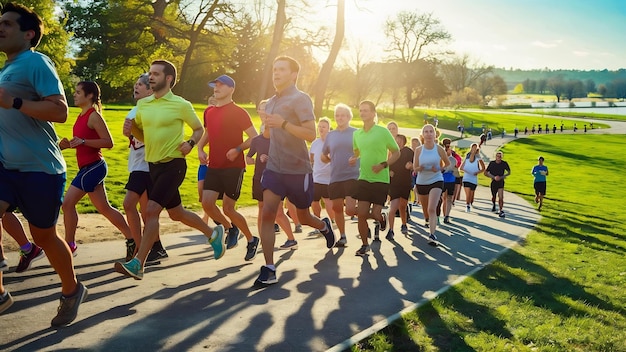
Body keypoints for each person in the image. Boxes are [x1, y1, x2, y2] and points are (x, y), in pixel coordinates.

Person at [0, 2, 87, 325]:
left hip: (41, 169)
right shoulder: (6, 70)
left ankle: (71, 289)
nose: (0, 27)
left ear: (28, 34)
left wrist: (16, 101)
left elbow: (60, 112)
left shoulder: (35, 63)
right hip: (7, 166)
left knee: (44, 237)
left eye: (7, 23)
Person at [117, 59, 225, 280]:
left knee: (151, 210)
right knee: (176, 214)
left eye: (155, 73)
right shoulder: (144, 105)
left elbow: (198, 128)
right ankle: (213, 233)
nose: (151, 77)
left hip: (173, 165)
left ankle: (139, 263)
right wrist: (131, 129)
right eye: (150, 73)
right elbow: (143, 136)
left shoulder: (180, 104)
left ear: (168, 79)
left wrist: (191, 143)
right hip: (153, 166)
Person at [255, 56, 336, 285]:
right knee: (268, 213)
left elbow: (310, 134)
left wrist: (282, 124)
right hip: (274, 168)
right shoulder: (270, 102)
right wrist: (266, 132)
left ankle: (323, 225)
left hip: (298, 169)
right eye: (274, 69)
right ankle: (269, 268)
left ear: (293, 75)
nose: (276, 73)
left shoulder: (301, 99)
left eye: (281, 69)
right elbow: (270, 135)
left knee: (303, 216)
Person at [59, 81, 134, 260]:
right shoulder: (80, 116)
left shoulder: (94, 116)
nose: (75, 95)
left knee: (67, 204)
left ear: (90, 96)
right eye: (75, 92)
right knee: (105, 208)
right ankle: (133, 239)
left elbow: (108, 142)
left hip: (94, 167)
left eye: (78, 92)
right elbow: (82, 141)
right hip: (87, 167)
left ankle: (69, 245)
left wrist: (83, 142)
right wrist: (69, 145)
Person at [198, 74, 259, 261]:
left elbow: (254, 137)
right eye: (214, 85)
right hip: (214, 165)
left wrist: (238, 149)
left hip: (234, 167)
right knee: (207, 203)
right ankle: (231, 228)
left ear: (231, 89)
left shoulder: (239, 112)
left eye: (221, 85)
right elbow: (208, 133)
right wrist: (200, 148)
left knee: (228, 208)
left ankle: (251, 238)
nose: (216, 88)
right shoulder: (209, 112)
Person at [122, 73, 168, 265]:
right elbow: (135, 141)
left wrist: (135, 132)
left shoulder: (152, 111)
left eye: (141, 84)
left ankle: (141, 250)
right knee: (145, 212)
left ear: (151, 90)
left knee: (128, 204)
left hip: (147, 166)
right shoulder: (134, 110)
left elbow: (155, 138)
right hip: (136, 165)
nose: (136, 86)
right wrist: (129, 134)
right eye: (135, 83)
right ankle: (156, 247)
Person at [350, 100, 400, 256]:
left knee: (376, 213)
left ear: (373, 113)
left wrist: (383, 165)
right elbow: (358, 151)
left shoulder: (383, 132)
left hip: (380, 180)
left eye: (366, 110)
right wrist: (353, 158)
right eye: (361, 110)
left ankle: (381, 218)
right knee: (362, 214)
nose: (363, 113)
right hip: (364, 178)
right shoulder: (356, 134)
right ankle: (365, 245)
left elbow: (396, 152)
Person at [247, 100, 297, 250]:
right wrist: (257, 159)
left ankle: (291, 239)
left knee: (278, 212)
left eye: (265, 111)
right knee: (261, 209)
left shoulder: (280, 137)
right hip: (259, 178)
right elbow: (250, 157)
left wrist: (271, 159)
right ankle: (263, 240)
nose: (263, 114)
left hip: (276, 179)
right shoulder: (258, 138)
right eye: (261, 111)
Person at [321, 103, 360, 247]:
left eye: (343, 115)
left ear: (349, 117)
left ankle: (368, 216)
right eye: (337, 115)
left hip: (352, 175)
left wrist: (356, 158)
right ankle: (342, 236)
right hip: (335, 176)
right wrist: (331, 159)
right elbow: (323, 156)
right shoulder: (331, 135)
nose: (339, 118)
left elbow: (363, 151)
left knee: (349, 210)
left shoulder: (356, 133)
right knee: (337, 208)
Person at [413, 124, 450, 245]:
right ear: (422, 135)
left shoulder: (439, 149)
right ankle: (428, 220)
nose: (428, 134)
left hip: (436, 179)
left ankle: (432, 235)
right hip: (422, 181)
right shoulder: (419, 150)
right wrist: (420, 167)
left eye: (431, 132)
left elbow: (448, 164)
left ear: (435, 135)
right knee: (426, 211)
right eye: (426, 132)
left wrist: (440, 168)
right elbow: (415, 168)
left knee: (431, 208)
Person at [309, 117, 335, 236]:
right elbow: (311, 159)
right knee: (314, 202)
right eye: (319, 126)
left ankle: (333, 223)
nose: (321, 129)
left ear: (329, 129)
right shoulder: (315, 143)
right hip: (316, 177)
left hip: (329, 179)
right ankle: (318, 224)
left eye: (324, 127)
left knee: (328, 202)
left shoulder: (332, 143)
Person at [386, 134, 414, 238]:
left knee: (403, 205)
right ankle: (391, 230)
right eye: (396, 140)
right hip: (394, 183)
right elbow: (386, 164)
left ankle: (404, 223)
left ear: (404, 141)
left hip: (405, 182)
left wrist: (411, 166)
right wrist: (389, 171)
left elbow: (415, 164)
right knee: (393, 206)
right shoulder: (392, 152)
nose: (398, 142)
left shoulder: (409, 151)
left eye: (400, 140)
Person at [460, 143, 485, 212]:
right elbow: (461, 167)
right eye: (472, 148)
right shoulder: (467, 156)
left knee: (471, 195)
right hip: (466, 178)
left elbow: (483, 168)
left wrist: (477, 172)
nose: (473, 149)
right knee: (468, 193)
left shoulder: (478, 157)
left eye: (475, 148)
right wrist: (466, 170)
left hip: (473, 178)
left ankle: (470, 203)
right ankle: (467, 205)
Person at [485, 151, 511, 218]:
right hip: (493, 182)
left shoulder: (504, 163)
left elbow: (509, 172)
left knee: (501, 197)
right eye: (497, 156)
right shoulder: (492, 163)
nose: (498, 157)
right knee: (494, 196)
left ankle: (501, 210)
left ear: (502, 157)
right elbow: (486, 172)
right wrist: (493, 177)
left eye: (500, 156)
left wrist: (502, 176)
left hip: (501, 181)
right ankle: (494, 204)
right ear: (495, 156)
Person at [440, 138, 459, 224]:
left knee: (449, 198)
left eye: (449, 147)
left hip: (451, 179)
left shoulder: (453, 159)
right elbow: (441, 168)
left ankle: (446, 215)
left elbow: (454, 168)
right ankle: (438, 214)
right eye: (446, 147)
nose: (448, 149)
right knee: (441, 198)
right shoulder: (441, 157)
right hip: (442, 179)